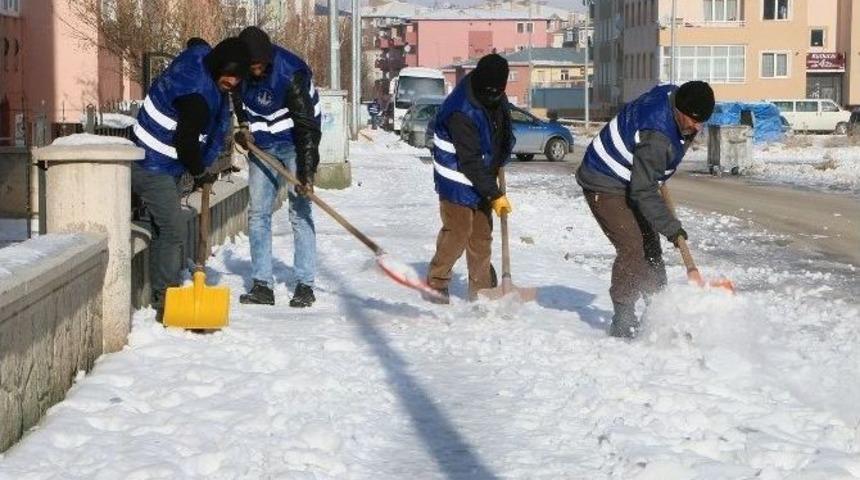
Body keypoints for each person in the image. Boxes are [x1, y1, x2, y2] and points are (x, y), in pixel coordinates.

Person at [575, 80, 715, 338]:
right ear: (680, 110)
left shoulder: (675, 96)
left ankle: (661, 313)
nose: (698, 128)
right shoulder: (657, 135)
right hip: (604, 180)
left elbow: (646, 180)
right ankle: (624, 317)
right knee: (633, 247)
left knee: (651, 248)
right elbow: (643, 190)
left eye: (702, 122)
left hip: (634, 176)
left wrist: (655, 172)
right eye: (694, 121)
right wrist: (672, 229)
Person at [132, 37, 251, 321]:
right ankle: (166, 300)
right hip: (151, 163)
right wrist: (200, 173)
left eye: (238, 78)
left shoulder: (201, 57)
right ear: (219, 67)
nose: (233, 83)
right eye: (230, 76)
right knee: (172, 228)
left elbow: (195, 42)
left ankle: (161, 288)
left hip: (162, 162)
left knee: (161, 226)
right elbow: (185, 143)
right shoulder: (196, 96)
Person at [233, 26, 322, 307]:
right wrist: (244, 127)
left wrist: (306, 175)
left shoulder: (291, 72)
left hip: (296, 142)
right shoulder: (240, 70)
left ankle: (305, 285)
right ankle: (262, 285)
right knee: (258, 213)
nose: (256, 71)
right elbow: (237, 99)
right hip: (262, 145)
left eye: (260, 66)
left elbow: (307, 129)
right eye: (251, 67)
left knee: (300, 211)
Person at [425, 53, 515, 304]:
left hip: (482, 175)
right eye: (490, 93)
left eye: (497, 92)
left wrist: (501, 158)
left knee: (482, 235)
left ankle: (482, 288)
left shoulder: (496, 95)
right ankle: (437, 281)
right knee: (459, 231)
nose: (494, 97)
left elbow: (502, 130)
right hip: (455, 177)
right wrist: (495, 194)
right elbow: (470, 162)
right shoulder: (460, 110)